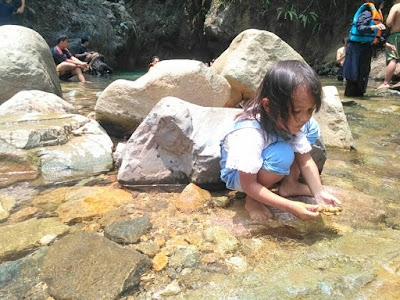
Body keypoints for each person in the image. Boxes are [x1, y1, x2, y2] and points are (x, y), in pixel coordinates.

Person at [220, 60, 341, 221]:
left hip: (269, 150)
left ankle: (290, 184)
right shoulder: (250, 133)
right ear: (268, 106)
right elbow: (247, 183)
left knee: (311, 127)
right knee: (282, 155)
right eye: (297, 111)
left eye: (310, 110)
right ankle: (253, 199)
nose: (304, 117)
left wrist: (319, 193)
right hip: (241, 176)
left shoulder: (287, 120)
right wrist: (290, 206)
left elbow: (305, 161)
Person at [343, 0, 396, 97]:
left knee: (363, 73)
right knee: (354, 73)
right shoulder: (366, 13)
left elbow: (374, 36)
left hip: (366, 47)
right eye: (382, 3)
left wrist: (386, 44)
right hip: (356, 47)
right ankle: (351, 97)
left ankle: (359, 96)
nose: (383, 6)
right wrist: (375, 26)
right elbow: (360, 28)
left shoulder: (375, 14)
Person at [377, 0, 400, 90]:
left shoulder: (396, 7)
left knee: (393, 58)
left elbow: (389, 22)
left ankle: (386, 83)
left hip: (396, 35)